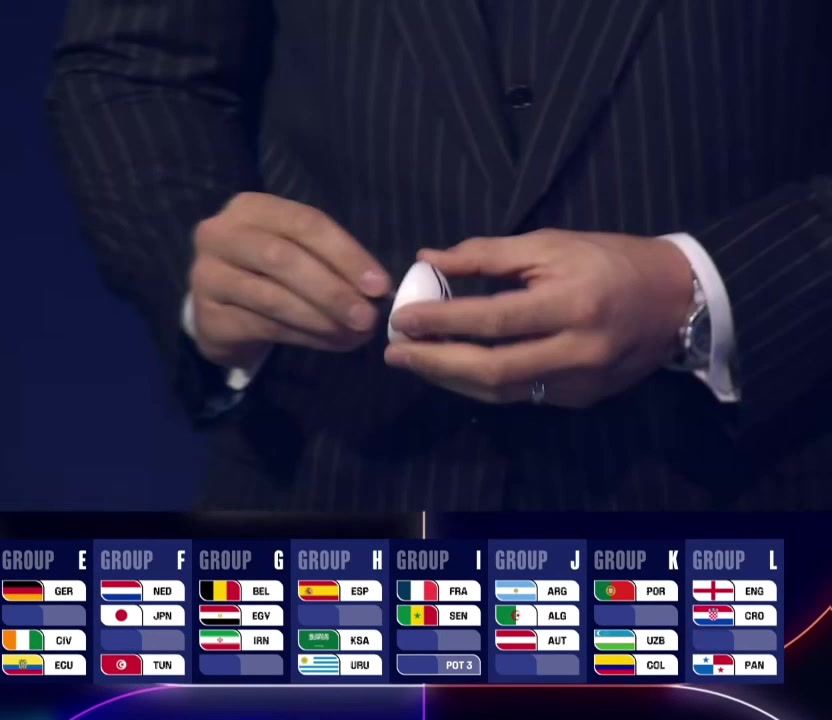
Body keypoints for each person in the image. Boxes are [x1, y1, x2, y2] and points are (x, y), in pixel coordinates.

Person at [47, 0, 832, 511]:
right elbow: (135, 68)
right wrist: (207, 268)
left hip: (756, 512)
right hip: (328, 499)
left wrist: (709, 291)